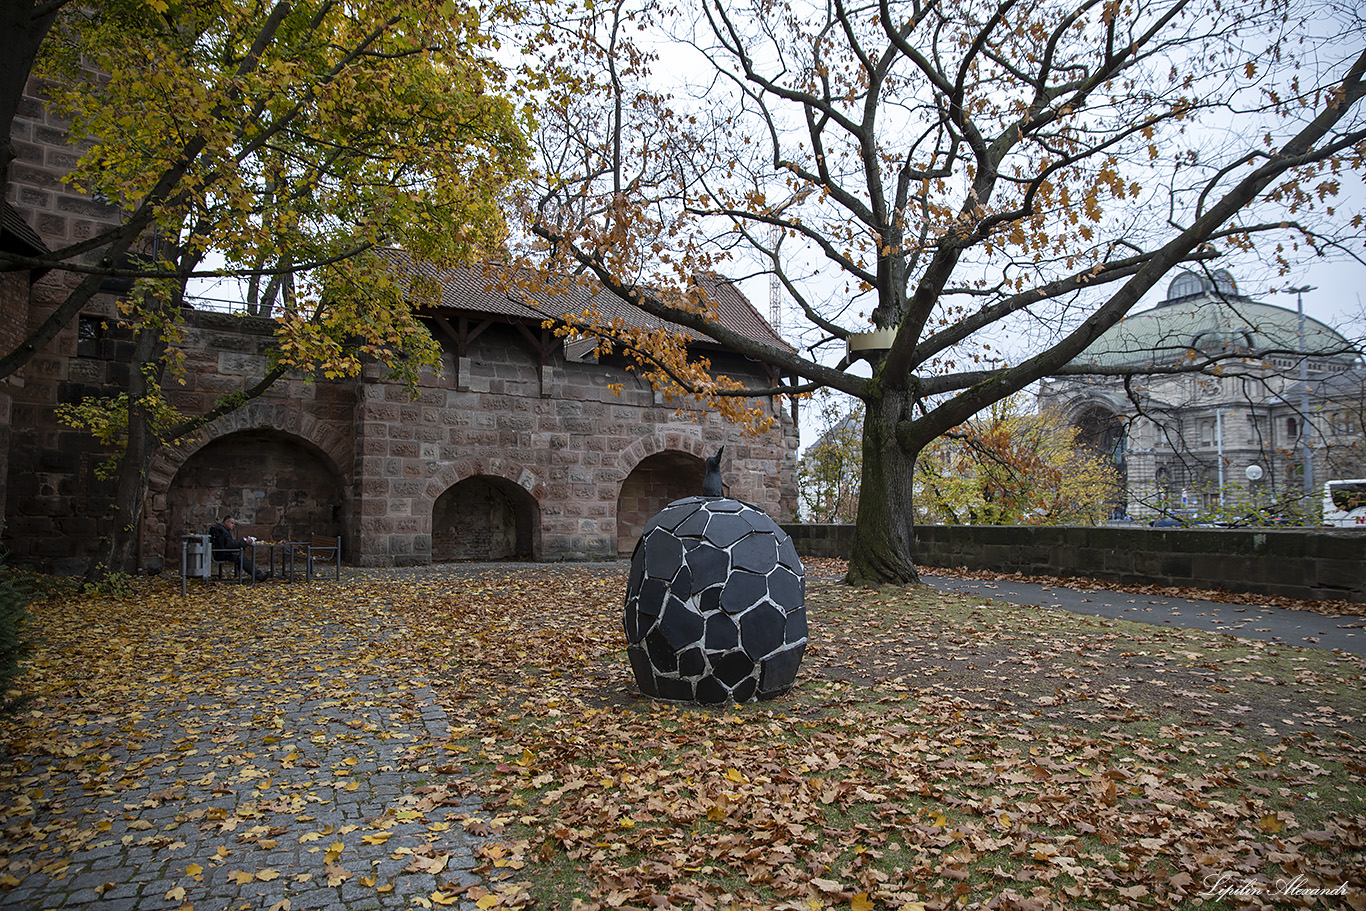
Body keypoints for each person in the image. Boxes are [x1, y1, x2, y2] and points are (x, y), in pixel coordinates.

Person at [209, 515, 270, 581]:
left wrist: (243, 543)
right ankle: (257, 575)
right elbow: (230, 544)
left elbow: (229, 544)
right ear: (226, 522)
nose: (233, 525)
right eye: (231, 523)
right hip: (222, 554)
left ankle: (257, 573)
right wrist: (245, 543)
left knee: (240, 555)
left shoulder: (221, 530)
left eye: (234, 524)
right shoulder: (221, 531)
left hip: (222, 552)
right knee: (241, 557)